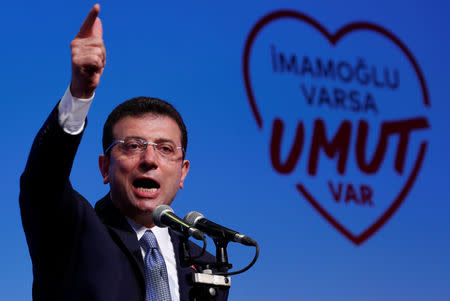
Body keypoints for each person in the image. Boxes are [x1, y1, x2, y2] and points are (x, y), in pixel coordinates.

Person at [19, 4, 228, 301]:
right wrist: (80, 92)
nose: (150, 160)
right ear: (105, 168)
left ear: (183, 172)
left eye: (165, 149)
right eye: (133, 146)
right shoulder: (74, 232)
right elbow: (41, 183)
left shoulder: (204, 261)